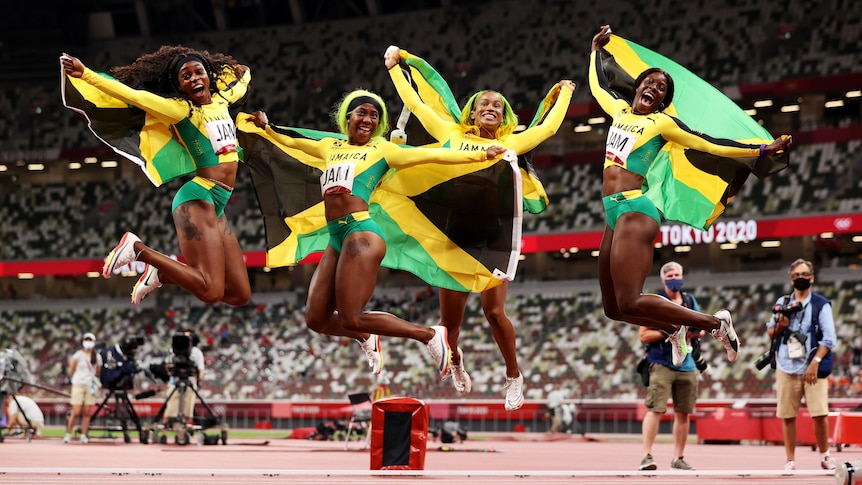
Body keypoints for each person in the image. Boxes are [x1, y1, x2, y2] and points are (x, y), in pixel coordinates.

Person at [245, 90, 506, 378]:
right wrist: (266, 128)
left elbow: (433, 154)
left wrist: (482, 152)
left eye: (374, 116)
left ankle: (430, 335)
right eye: (362, 113)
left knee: (353, 317)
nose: (368, 119)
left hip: (361, 234)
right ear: (348, 117)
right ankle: (366, 336)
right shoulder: (329, 146)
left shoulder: (383, 149)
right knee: (316, 319)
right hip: (337, 238)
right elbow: (293, 141)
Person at [385, 46, 576, 410]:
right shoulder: (449, 133)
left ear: (503, 117)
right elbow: (418, 103)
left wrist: (565, 92)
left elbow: (549, 127)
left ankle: (513, 375)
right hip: (453, 234)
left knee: (494, 313)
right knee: (449, 325)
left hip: (493, 236)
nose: (490, 108)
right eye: (484, 104)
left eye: (497, 106)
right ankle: (457, 362)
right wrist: (396, 68)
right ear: (472, 110)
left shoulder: (511, 143)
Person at [589, 25, 794, 361]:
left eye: (661, 87)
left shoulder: (662, 123)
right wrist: (595, 51)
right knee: (613, 308)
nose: (653, 87)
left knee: (631, 300)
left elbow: (710, 144)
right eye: (649, 81)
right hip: (613, 213)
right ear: (638, 86)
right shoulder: (620, 111)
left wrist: (759, 150)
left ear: (663, 100)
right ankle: (674, 329)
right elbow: (599, 86)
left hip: (636, 211)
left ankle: (716, 322)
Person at [61, 47, 252, 307]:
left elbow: (243, 75)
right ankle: (138, 249)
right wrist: (87, 75)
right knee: (211, 292)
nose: (194, 78)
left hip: (218, 202)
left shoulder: (222, 100)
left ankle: (161, 274)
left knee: (239, 294)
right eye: (186, 76)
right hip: (198, 198)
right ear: (179, 85)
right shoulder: (179, 110)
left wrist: (224, 70)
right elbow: (133, 96)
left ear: (208, 75)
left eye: (199, 72)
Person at [766, 258, 837, 471]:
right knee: (787, 415)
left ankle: (825, 455)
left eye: (804, 275)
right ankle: (790, 460)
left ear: (812, 278)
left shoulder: (821, 304)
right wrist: (781, 325)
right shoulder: (783, 301)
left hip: (812, 366)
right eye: (796, 276)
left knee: (819, 413)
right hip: (786, 365)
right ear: (791, 279)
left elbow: (829, 339)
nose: (800, 279)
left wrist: (815, 362)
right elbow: (770, 331)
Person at [639, 261, 704, 471]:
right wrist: (671, 331)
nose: (674, 278)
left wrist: (692, 331)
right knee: (655, 409)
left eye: (677, 274)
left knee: (683, 412)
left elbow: (701, 330)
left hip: (687, 364)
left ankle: (678, 458)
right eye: (670, 276)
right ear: (663, 279)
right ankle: (647, 456)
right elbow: (644, 335)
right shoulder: (655, 302)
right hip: (661, 362)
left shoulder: (689, 300)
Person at [159, 329, 205, 444]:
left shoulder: (197, 352)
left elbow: (201, 370)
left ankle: (183, 433)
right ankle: (164, 434)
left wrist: (197, 379)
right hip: (175, 384)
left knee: (187, 412)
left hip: (190, 385)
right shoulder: (173, 351)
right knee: (169, 410)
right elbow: (167, 365)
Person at [64, 332, 102, 444]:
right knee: (75, 411)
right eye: (87, 340)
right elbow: (72, 370)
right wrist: (80, 377)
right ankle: (68, 434)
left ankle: (83, 435)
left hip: (90, 385)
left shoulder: (97, 357)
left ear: (94, 342)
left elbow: (98, 372)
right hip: (78, 384)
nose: (88, 342)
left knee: (86, 412)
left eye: (90, 340)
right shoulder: (78, 355)